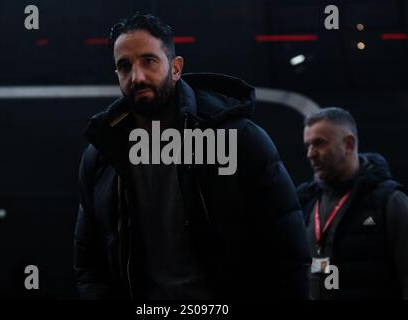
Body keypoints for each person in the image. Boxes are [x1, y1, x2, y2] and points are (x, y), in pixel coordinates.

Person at [74, 12, 310, 300]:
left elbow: (287, 254)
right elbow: (89, 261)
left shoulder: (237, 139)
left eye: (148, 61)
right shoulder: (102, 155)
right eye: (125, 66)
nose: (137, 77)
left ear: (175, 68)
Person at [298, 107, 408, 300]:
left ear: (348, 144)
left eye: (319, 144)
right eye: (308, 145)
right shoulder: (307, 201)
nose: (310, 154)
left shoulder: (389, 202)